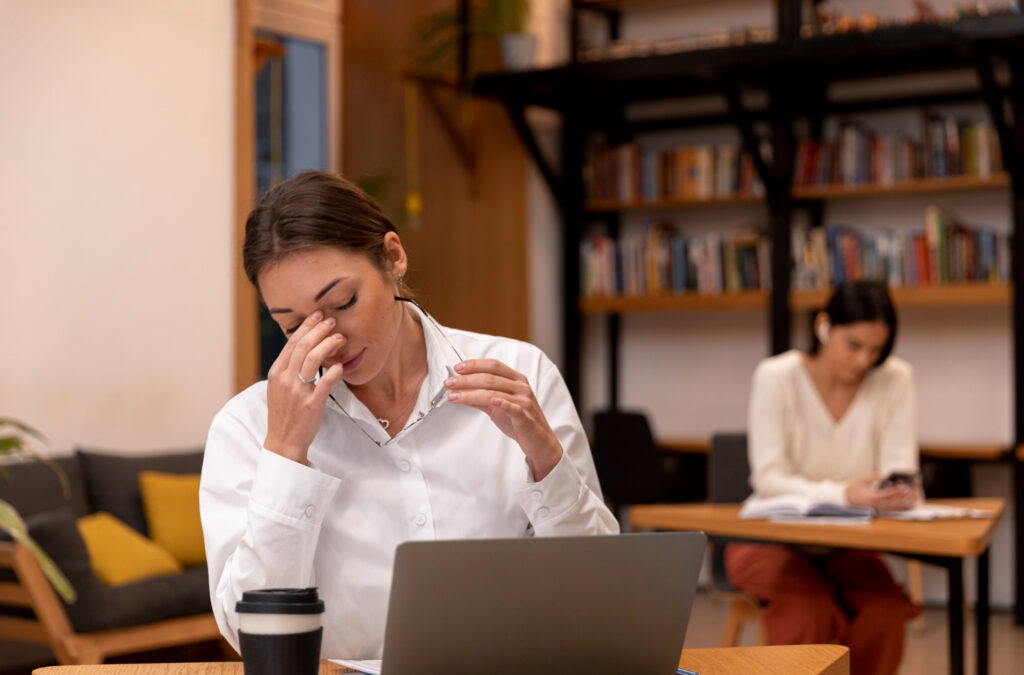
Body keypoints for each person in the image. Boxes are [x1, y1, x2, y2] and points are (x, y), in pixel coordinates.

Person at [199, 171, 619, 658]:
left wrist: (547, 463)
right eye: (293, 325)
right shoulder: (247, 426)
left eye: (343, 302)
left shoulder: (522, 375)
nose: (329, 341)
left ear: (393, 256)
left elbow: (601, 592)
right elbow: (245, 629)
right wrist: (287, 455)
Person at [725, 279, 922, 675]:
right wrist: (845, 493)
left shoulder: (895, 378)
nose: (864, 360)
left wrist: (895, 492)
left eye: (876, 350)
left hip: (848, 542)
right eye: (854, 345)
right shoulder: (776, 376)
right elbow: (769, 479)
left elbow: (899, 466)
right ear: (823, 326)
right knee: (809, 614)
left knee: (884, 613)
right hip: (769, 538)